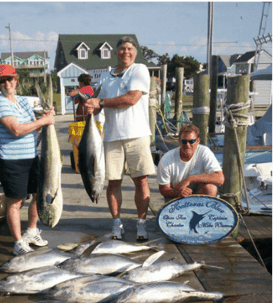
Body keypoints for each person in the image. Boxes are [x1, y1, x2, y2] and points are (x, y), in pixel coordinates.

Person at [84, 36, 156, 242]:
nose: (126, 52)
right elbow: (96, 102)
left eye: (130, 48)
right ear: (116, 52)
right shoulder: (105, 76)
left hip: (137, 134)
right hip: (111, 137)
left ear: (135, 51)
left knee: (141, 180)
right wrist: (90, 105)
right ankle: (117, 223)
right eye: (122, 48)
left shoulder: (139, 69)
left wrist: (101, 102)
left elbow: (132, 98)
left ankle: (141, 224)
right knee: (113, 182)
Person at [0, 64, 55, 256]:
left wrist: (44, 118)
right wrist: (44, 122)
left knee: (37, 195)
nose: (7, 83)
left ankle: (32, 231)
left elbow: (31, 125)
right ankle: (18, 242)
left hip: (31, 156)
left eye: (10, 79)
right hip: (11, 160)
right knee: (16, 201)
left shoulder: (24, 101)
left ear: (16, 80)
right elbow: (16, 129)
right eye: (2, 80)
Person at [157, 124, 225, 202]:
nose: (187, 145)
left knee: (211, 188)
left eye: (191, 141)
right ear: (179, 141)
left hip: (199, 195)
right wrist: (178, 192)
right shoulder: (166, 158)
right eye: (184, 141)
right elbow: (164, 189)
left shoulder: (204, 152)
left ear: (198, 141)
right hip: (177, 198)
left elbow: (220, 178)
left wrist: (190, 179)